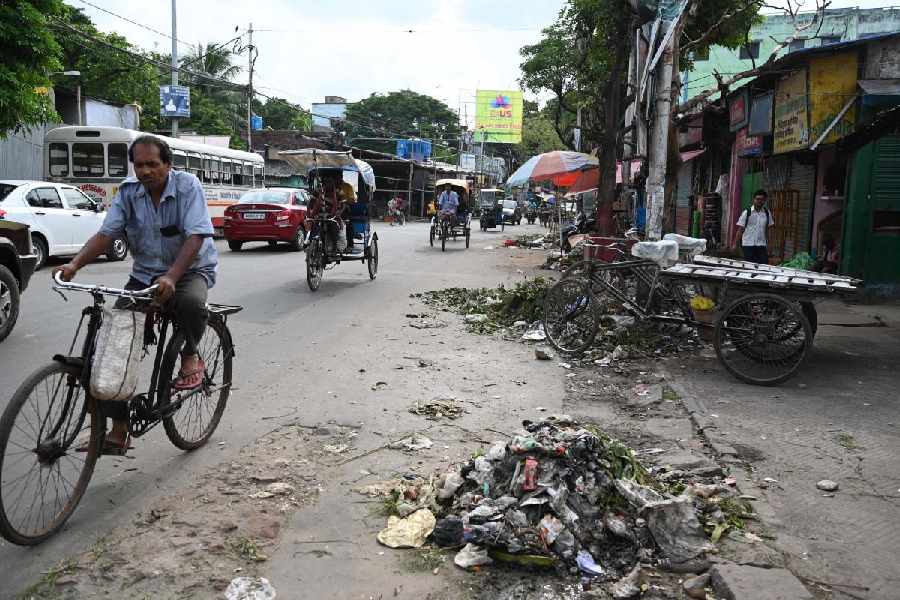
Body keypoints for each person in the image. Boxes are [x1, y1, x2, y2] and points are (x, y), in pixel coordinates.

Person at [54, 135, 218, 454]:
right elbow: (106, 234)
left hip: (189, 270)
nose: (145, 171)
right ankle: (118, 431)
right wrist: (73, 265)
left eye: (152, 164)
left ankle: (190, 355)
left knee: (191, 303)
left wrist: (172, 275)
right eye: (139, 165)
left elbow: (197, 234)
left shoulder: (188, 186)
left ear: (167, 165)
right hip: (144, 275)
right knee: (116, 346)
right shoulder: (128, 192)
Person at [733, 189, 774, 264]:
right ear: (754, 199)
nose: (759, 201)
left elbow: (769, 230)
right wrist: (735, 245)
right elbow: (740, 230)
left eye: (762, 199)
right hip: (748, 245)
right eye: (757, 199)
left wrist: (770, 245)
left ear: (764, 201)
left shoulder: (767, 213)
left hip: (761, 245)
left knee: (763, 266)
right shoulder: (747, 212)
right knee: (750, 267)